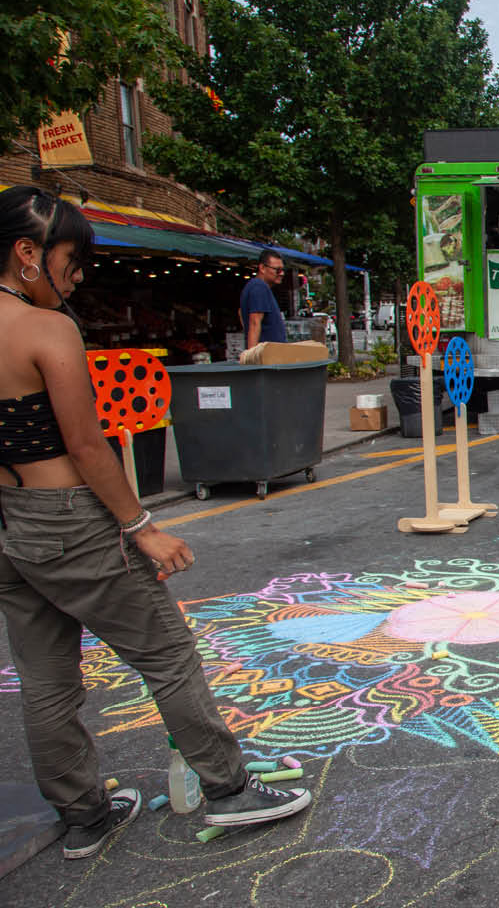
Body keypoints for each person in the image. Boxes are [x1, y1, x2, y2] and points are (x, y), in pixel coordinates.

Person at [0, 186, 310, 860]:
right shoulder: (44, 328)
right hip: (66, 520)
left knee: (47, 677)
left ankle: (83, 813)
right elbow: (86, 445)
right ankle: (228, 789)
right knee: (167, 653)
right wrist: (142, 526)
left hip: (10, 524)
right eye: (70, 261)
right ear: (27, 252)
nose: (77, 278)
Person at [241, 249, 287, 349]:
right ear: (262, 268)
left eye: (283, 270)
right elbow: (254, 323)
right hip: (267, 359)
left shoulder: (257, 286)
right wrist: (252, 357)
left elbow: (240, 312)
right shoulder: (259, 287)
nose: (282, 273)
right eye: (278, 270)